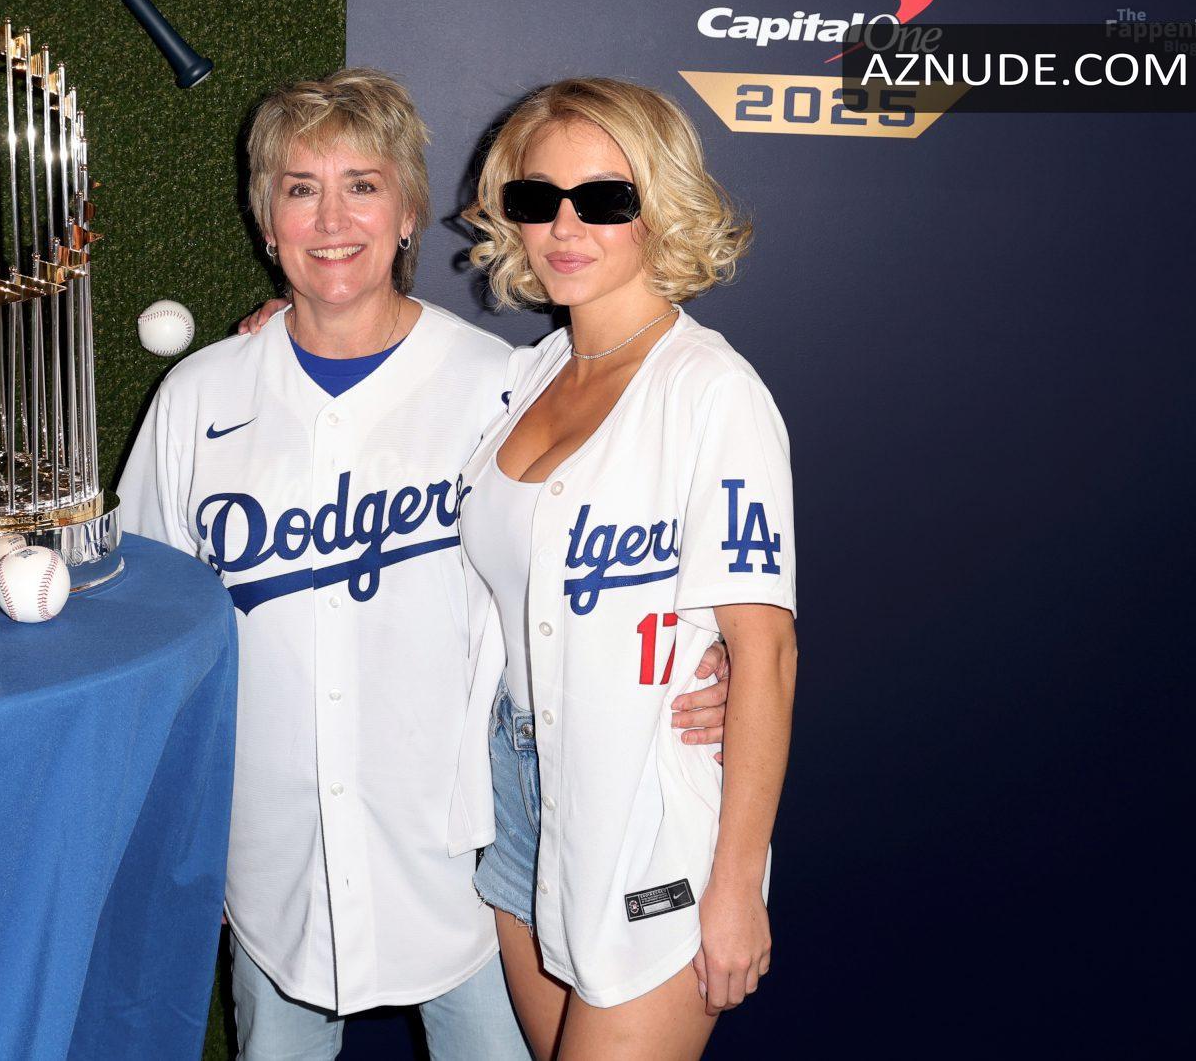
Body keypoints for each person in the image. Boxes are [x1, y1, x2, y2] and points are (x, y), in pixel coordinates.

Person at [119, 69, 732, 1060]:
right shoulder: (199, 396)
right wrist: (182, 837)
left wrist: (709, 658)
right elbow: (150, 632)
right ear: (266, 220)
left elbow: (616, 556)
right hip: (272, 864)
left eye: (363, 185)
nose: (331, 220)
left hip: (468, 866)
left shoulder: (504, 384)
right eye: (300, 188)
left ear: (408, 210)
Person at [451, 77, 797, 1060]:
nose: (564, 227)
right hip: (513, 801)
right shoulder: (522, 377)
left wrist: (737, 883)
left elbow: (765, 651)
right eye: (536, 198)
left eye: (603, 199)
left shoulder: (711, 392)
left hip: (644, 814)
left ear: (661, 207)